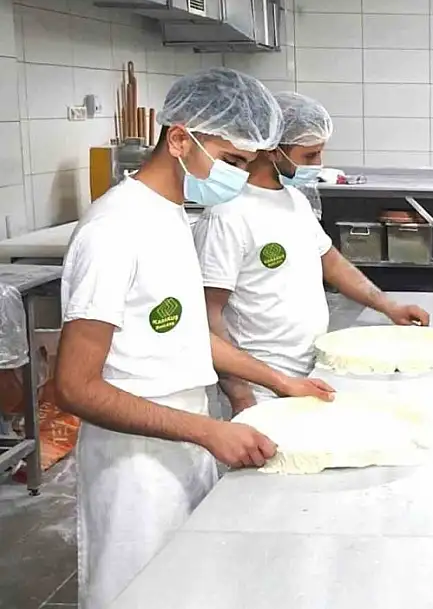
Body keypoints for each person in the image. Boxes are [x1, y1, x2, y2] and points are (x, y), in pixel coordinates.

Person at [53, 69, 336, 609]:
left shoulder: (172, 214)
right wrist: (206, 430)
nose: (240, 176)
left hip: (184, 435)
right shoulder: (113, 230)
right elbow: (75, 387)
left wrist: (282, 381)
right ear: (179, 138)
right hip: (133, 462)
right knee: (138, 593)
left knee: (189, 588)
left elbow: (189, 333)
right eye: (231, 161)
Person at [193, 91, 429, 413]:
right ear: (273, 150)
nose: (318, 165)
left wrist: (389, 306)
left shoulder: (294, 200)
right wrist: (240, 393)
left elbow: (330, 262)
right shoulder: (228, 215)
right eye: (309, 156)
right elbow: (208, 315)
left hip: (310, 370)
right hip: (263, 387)